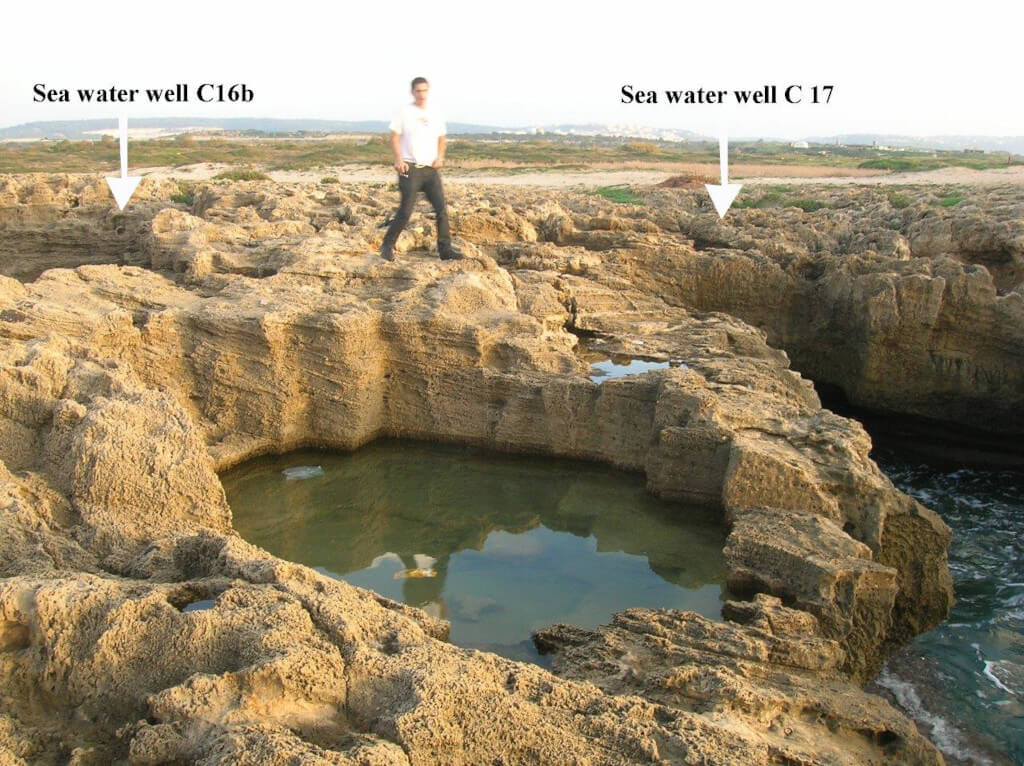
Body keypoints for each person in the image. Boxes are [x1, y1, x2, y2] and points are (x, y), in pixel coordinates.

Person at [379, 77, 463, 261]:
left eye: (424, 90)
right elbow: (394, 138)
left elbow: (441, 138)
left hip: (430, 170)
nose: (421, 94)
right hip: (410, 169)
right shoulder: (405, 112)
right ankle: (387, 245)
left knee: (441, 209)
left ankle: (445, 250)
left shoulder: (435, 112)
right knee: (405, 211)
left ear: (428, 91)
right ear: (412, 92)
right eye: (418, 91)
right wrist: (398, 159)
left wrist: (440, 156)